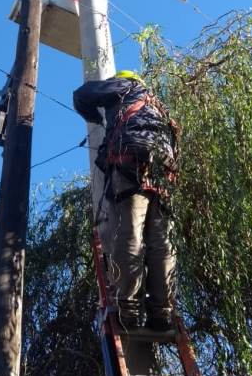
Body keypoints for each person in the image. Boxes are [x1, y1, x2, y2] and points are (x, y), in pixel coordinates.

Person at [73, 70, 179, 330]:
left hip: (131, 160)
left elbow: (82, 95)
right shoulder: (159, 107)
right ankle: (162, 311)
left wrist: (96, 118)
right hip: (164, 170)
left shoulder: (124, 86)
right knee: (161, 242)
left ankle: (128, 309)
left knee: (130, 234)